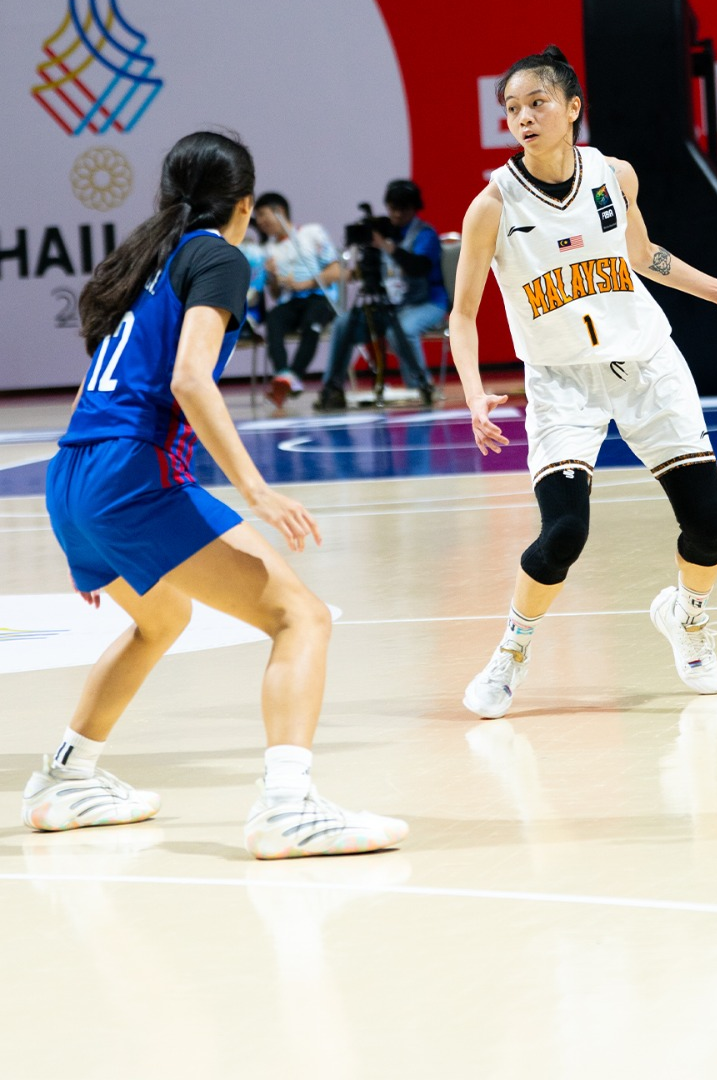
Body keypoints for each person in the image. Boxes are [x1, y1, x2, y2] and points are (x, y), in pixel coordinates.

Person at [22, 131, 407, 859]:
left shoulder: (141, 263)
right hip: (129, 476)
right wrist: (256, 489)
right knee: (301, 617)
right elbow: (190, 378)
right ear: (244, 205)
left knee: (161, 618)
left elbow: (101, 387)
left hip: (71, 475)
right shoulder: (219, 257)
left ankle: (64, 778)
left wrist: (86, 525)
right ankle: (287, 807)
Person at [449, 46, 717, 719]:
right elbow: (462, 315)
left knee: (709, 527)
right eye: (512, 108)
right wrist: (473, 394)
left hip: (646, 364)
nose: (523, 116)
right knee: (564, 534)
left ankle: (687, 615)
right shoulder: (491, 205)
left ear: (573, 107)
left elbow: (644, 256)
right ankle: (512, 651)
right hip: (561, 382)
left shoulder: (614, 175)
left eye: (537, 102)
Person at [315, 179, 448, 412]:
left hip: (426, 302)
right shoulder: (382, 230)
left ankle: (419, 386)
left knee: (402, 330)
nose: (397, 214)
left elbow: (418, 267)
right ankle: (332, 389)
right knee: (343, 324)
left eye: (403, 208)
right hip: (391, 305)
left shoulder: (424, 234)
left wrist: (386, 246)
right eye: (393, 208)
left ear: (414, 208)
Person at [253, 192, 341, 409]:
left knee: (312, 322)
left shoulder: (312, 233)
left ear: (279, 211)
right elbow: (276, 295)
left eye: (263, 215)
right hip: (292, 301)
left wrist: (305, 284)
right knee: (274, 319)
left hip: (320, 298)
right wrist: (273, 278)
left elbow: (336, 271)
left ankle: (294, 376)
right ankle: (283, 373)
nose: (260, 222)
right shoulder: (269, 249)